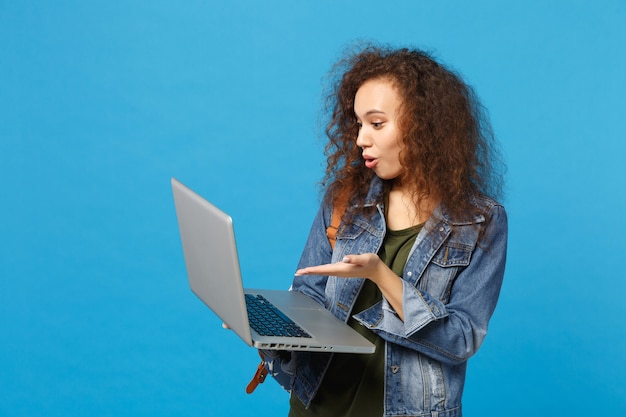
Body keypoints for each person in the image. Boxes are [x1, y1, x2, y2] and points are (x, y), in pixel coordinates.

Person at [262, 44, 508, 417]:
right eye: (358, 123)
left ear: (424, 126)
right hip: (316, 405)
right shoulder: (346, 199)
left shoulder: (480, 221)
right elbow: (308, 294)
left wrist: (381, 276)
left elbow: (461, 338)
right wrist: (269, 328)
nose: (361, 138)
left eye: (376, 124)